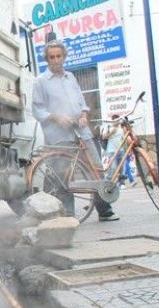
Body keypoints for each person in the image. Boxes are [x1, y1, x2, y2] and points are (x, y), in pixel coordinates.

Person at [32, 40, 119, 221]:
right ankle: (68, 215)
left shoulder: (70, 77)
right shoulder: (41, 81)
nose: (56, 60)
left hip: (81, 131)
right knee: (63, 176)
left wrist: (84, 115)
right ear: (47, 60)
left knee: (96, 169)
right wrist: (57, 117)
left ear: (64, 57)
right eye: (52, 57)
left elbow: (82, 103)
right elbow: (38, 110)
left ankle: (104, 209)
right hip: (58, 135)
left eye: (59, 56)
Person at [101, 114, 136, 189]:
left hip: (121, 150)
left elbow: (125, 138)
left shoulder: (121, 128)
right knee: (113, 168)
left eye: (118, 120)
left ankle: (122, 183)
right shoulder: (109, 127)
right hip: (111, 151)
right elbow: (103, 137)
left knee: (121, 168)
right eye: (115, 120)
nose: (116, 122)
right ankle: (107, 182)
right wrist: (111, 133)